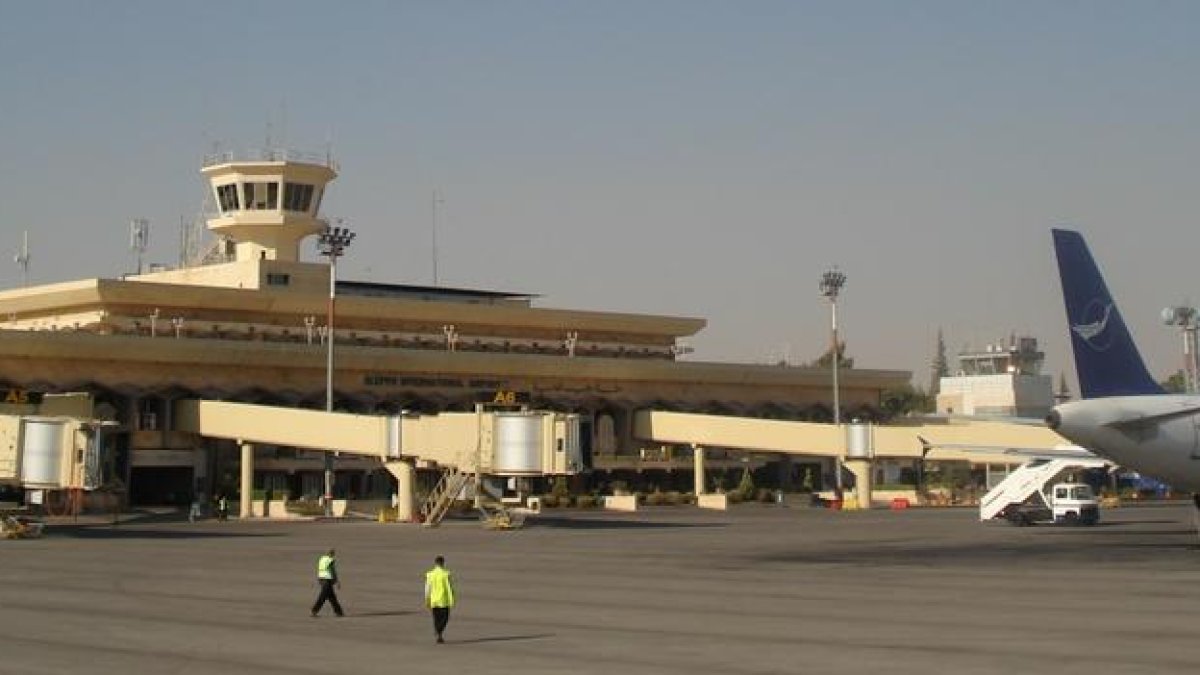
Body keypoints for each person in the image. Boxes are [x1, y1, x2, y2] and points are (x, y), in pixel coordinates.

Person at [424, 555, 456, 643]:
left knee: (436, 618)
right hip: (444, 600)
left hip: (434, 600)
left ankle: (438, 633)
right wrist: (452, 599)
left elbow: (427, 588)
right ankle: (439, 631)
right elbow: (449, 587)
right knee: (445, 618)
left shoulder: (430, 574)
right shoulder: (446, 574)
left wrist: (427, 599)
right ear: (443, 563)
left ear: (435, 563)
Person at [311, 548, 345, 617]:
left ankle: (339, 612)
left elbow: (320, 568)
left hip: (321, 578)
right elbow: (332, 570)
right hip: (327, 580)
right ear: (332, 554)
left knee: (332, 597)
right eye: (333, 554)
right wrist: (336, 581)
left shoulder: (322, 559)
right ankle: (314, 610)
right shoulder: (330, 560)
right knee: (323, 596)